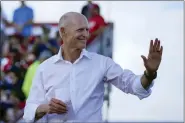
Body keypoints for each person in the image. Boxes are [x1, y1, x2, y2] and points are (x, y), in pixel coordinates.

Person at [23, 12, 163, 122]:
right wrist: (46, 108)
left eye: (86, 30)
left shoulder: (102, 63)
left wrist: (150, 73)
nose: (85, 35)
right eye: (80, 30)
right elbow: (29, 112)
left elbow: (133, 85)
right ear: (63, 32)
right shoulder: (44, 68)